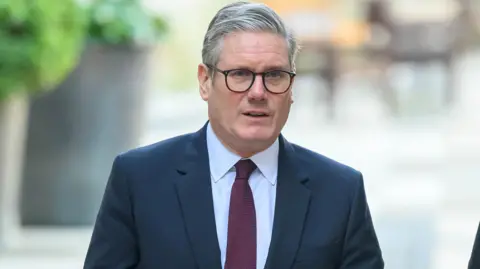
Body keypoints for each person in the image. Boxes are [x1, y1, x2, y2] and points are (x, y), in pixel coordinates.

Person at [83, 1, 384, 268]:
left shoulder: (340, 191)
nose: (258, 92)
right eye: (239, 74)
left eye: (274, 75)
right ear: (204, 81)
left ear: (292, 87)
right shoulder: (140, 179)